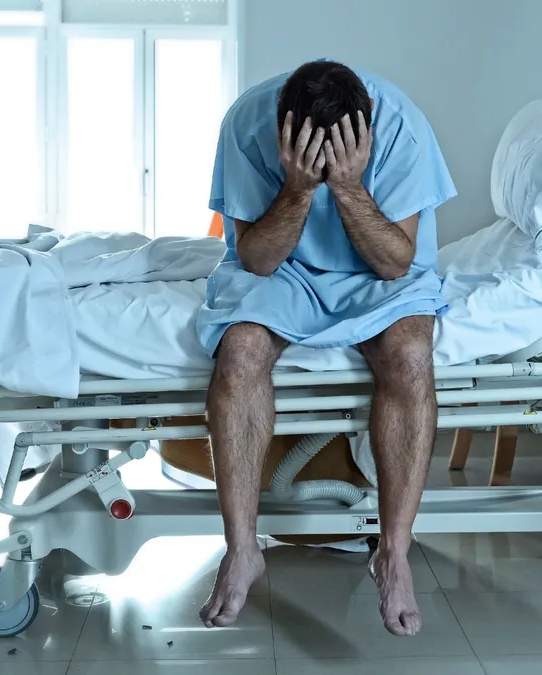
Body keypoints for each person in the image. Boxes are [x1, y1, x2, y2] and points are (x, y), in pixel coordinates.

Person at [194, 59, 456, 637]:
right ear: (281, 126)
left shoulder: (403, 127)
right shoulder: (245, 123)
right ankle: (242, 549)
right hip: (283, 271)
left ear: (368, 124)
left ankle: (393, 553)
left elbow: (396, 262)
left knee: (411, 357)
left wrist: (348, 186)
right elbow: (256, 259)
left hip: (378, 272)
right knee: (239, 351)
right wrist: (298, 189)